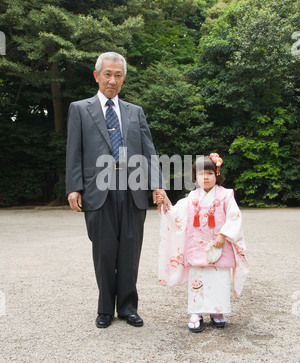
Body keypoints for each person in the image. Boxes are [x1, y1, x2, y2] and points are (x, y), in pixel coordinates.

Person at [66, 52, 170, 329]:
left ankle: (127, 307)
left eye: (118, 75)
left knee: (130, 250)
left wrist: (157, 185)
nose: (113, 80)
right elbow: (73, 151)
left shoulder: (135, 112)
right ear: (97, 75)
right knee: (104, 251)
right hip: (97, 189)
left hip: (132, 188)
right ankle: (104, 309)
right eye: (108, 74)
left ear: (124, 78)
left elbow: (149, 151)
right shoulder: (79, 109)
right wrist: (74, 187)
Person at [157, 154, 249, 333]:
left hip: (219, 245)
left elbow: (234, 217)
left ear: (217, 175)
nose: (205, 177)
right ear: (195, 177)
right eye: (200, 174)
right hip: (197, 247)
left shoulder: (225, 196)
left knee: (219, 279)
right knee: (197, 280)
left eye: (209, 173)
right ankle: (196, 313)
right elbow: (176, 217)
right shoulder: (191, 198)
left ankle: (217, 312)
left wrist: (224, 234)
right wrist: (165, 206)